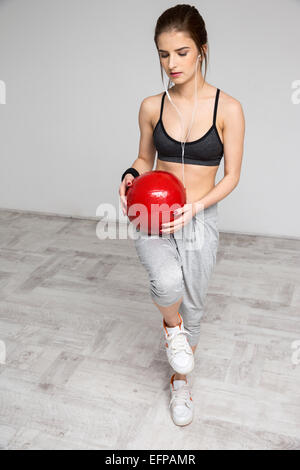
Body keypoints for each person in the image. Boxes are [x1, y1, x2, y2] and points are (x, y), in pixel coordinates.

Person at [119, 4, 245, 427]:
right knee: (167, 281)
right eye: (163, 54)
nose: (171, 64)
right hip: (150, 212)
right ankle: (172, 332)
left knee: (194, 306)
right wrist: (129, 176)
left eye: (182, 52)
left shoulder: (228, 109)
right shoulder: (151, 106)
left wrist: (195, 205)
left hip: (199, 218)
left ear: (202, 50)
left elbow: (232, 177)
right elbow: (142, 157)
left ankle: (179, 381)